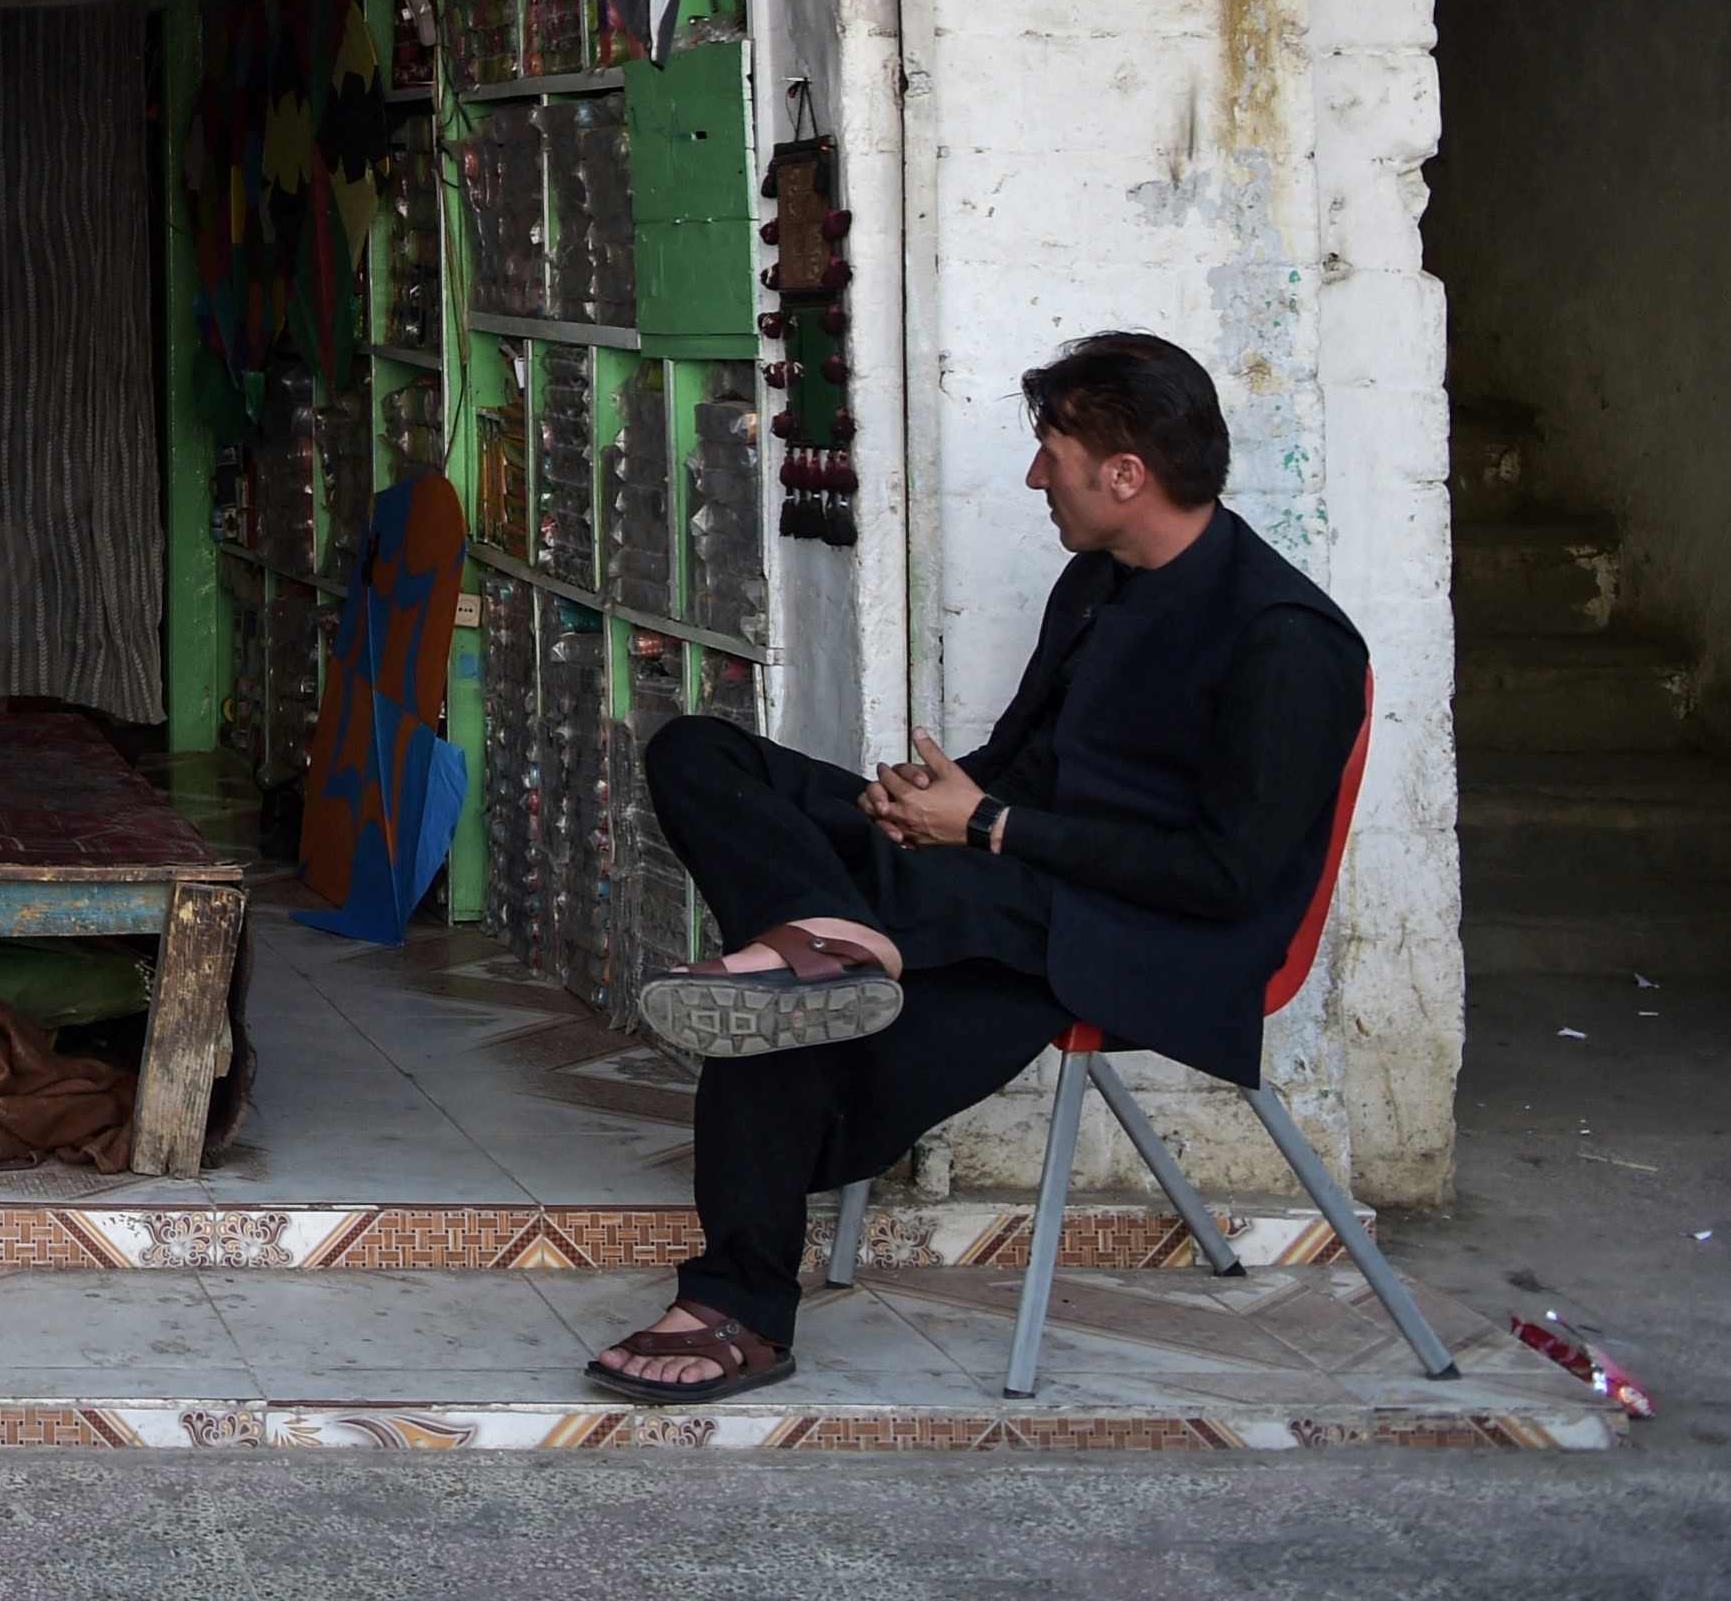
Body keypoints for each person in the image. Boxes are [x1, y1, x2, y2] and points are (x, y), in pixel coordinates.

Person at [581, 332, 1368, 1407]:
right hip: (993, 877)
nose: (1037, 476)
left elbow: (1228, 879)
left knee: (788, 1017)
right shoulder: (1098, 582)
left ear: (1125, 475)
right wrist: (924, 805)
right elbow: (1034, 763)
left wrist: (989, 825)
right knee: (699, 754)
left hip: (1130, 931)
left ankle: (738, 1307)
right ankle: (821, 931)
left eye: (1053, 452)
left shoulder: (1286, 639)